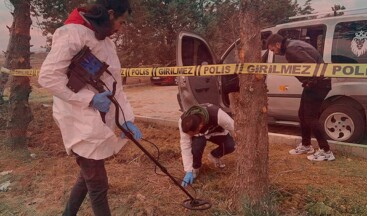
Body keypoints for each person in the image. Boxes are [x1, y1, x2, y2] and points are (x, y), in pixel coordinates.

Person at [38, 1, 142, 215]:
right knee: (98, 184)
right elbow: (48, 77)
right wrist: (89, 99)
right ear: (110, 14)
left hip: (96, 120)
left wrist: (126, 120)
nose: (120, 28)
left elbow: (115, 85)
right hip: (78, 120)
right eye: (120, 22)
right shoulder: (72, 34)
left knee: (87, 177)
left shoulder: (106, 42)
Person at [267, 33, 335, 161]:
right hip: (315, 83)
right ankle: (306, 145)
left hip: (318, 84)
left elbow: (311, 65)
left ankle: (326, 151)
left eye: (273, 50)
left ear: (277, 44)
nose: (274, 53)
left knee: (311, 117)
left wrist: (311, 82)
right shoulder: (293, 45)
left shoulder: (291, 49)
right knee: (302, 114)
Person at [179, 103, 235, 187]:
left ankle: (214, 156)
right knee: (196, 145)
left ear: (200, 126)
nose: (189, 136)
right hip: (200, 136)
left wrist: (241, 144)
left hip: (216, 132)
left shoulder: (217, 114)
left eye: (192, 134)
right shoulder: (183, 122)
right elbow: (185, 145)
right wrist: (188, 170)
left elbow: (233, 128)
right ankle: (195, 168)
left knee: (231, 145)